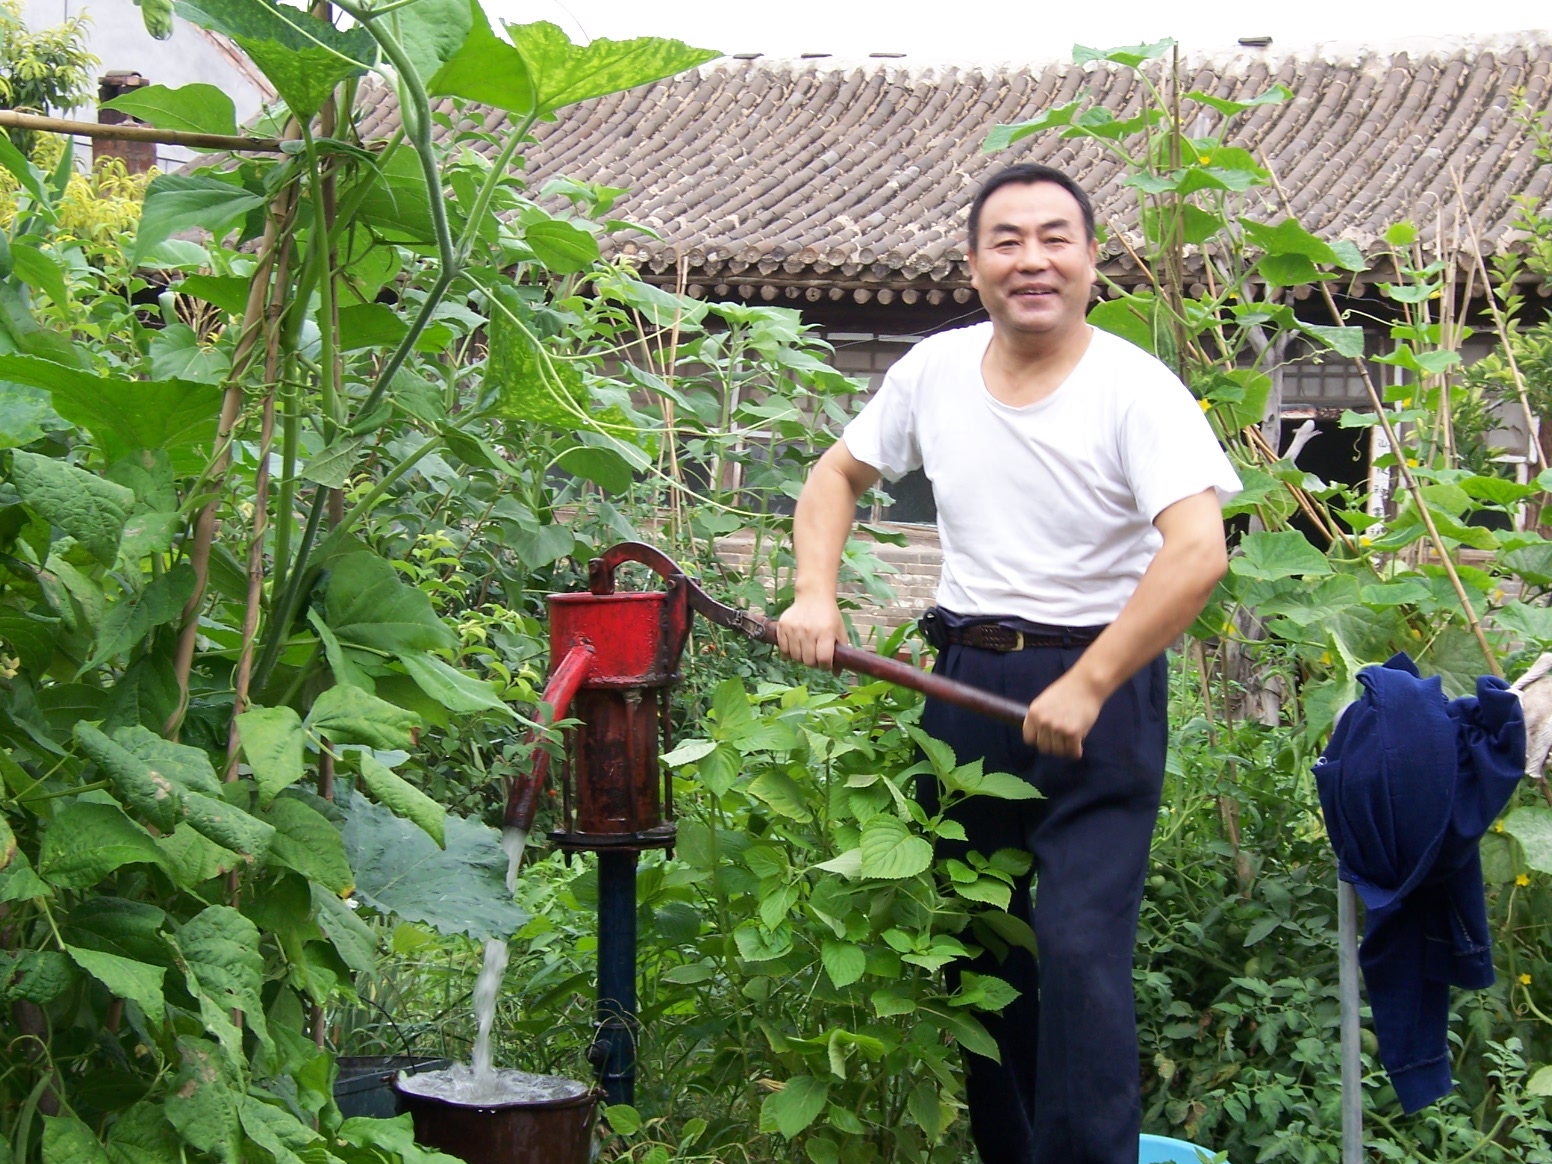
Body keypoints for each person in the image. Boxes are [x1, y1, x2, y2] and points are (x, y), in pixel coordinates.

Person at [776, 163, 1241, 1164]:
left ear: (1088, 260)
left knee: (1076, 950)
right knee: (983, 955)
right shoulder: (931, 372)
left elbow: (1197, 549)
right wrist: (815, 592)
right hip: (963, 687)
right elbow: (835, 475)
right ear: (974, 264)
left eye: (1054, 239)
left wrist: (1090, 681)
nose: (1031, 260)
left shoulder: (1135, 389)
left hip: (1098, 694)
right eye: (1007, 240)